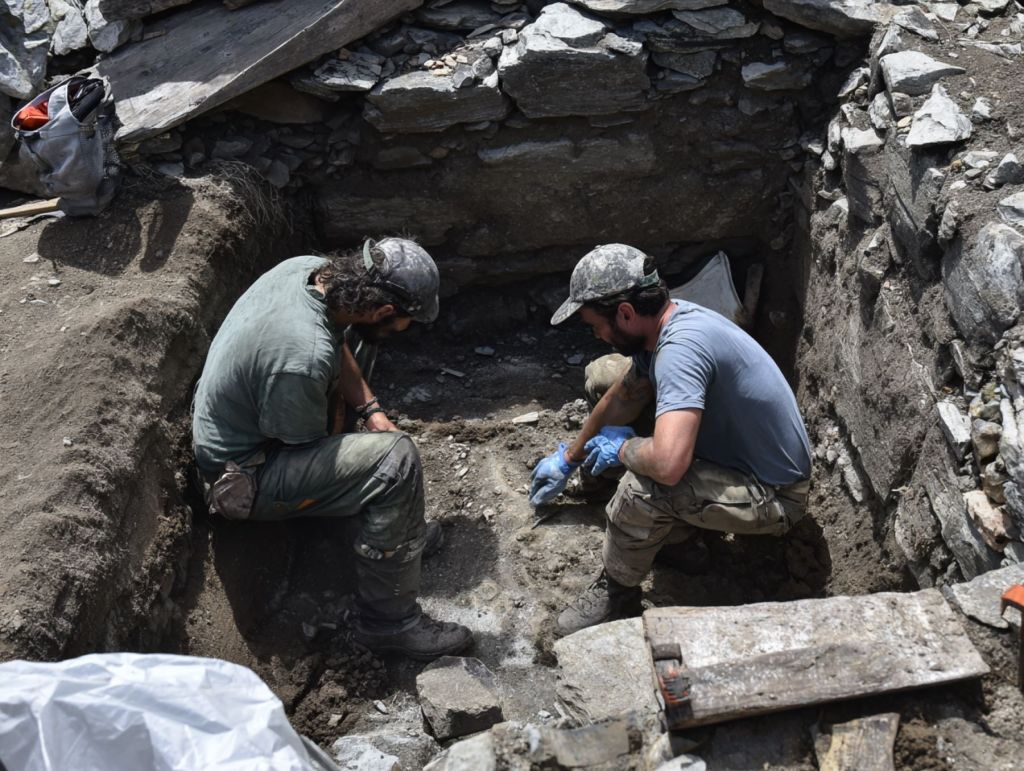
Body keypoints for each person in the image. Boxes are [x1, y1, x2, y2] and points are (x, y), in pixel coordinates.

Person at [192, 238, 473, 660]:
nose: (404, 331)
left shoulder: (310, 270)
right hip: (243, 475)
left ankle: (389, 532)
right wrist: (370, 462)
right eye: (404, 323)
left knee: (358, 345)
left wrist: (371, 411)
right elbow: (309, 443)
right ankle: (388, 624)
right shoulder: (303, 356)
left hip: (247, 416)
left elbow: (337, 341)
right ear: (384, 310)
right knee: (395, 463)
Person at [530, 244, 812, 637]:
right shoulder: (664, 323)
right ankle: (677, 537)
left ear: (626, 313)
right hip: (730, 455)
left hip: (771, 493)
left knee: (643, 488)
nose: (596, 334)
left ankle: (618, 594)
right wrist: (570, 457)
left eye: (597, 325)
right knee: (605, 376)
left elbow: (667, 465)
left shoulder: (680, 350)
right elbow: (623, 396)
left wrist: (624, 450)